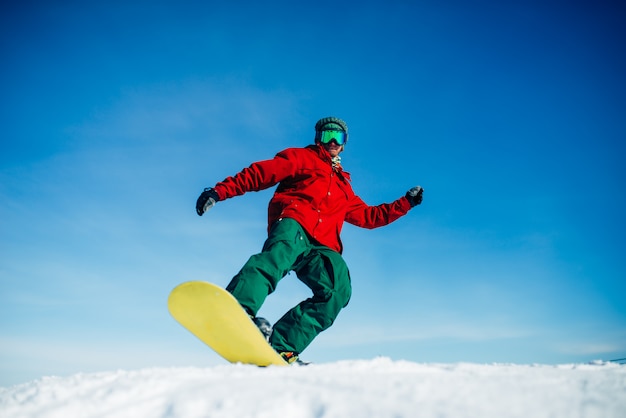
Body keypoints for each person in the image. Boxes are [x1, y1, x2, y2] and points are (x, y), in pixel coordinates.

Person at [195, 116, 423, 364]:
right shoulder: (301, 158)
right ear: (318, 138)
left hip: (323, 247)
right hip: (295, 224)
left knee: (338, 290)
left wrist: (406, 203)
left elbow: (369, 216)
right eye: (328, 135)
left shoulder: (344, 187)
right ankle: (238, 309)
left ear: (345, 144)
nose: (333, 141)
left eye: (339, 137)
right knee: (276, 258)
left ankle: (283, 347)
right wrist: (219, 191)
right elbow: (260, 173)